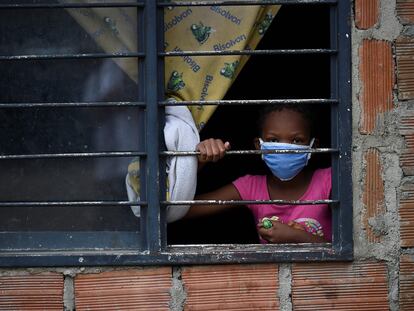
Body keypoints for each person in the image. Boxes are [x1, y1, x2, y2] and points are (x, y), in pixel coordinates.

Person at [185, 104, 332, 244]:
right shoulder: (251, 187)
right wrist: (200, 160)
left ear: (314, 146)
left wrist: (296, 236)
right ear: (258, 145)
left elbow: (352, 247)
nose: (284, 148)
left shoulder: (330, 180)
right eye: (273, 140)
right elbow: (181, 210)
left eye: (296, 140)